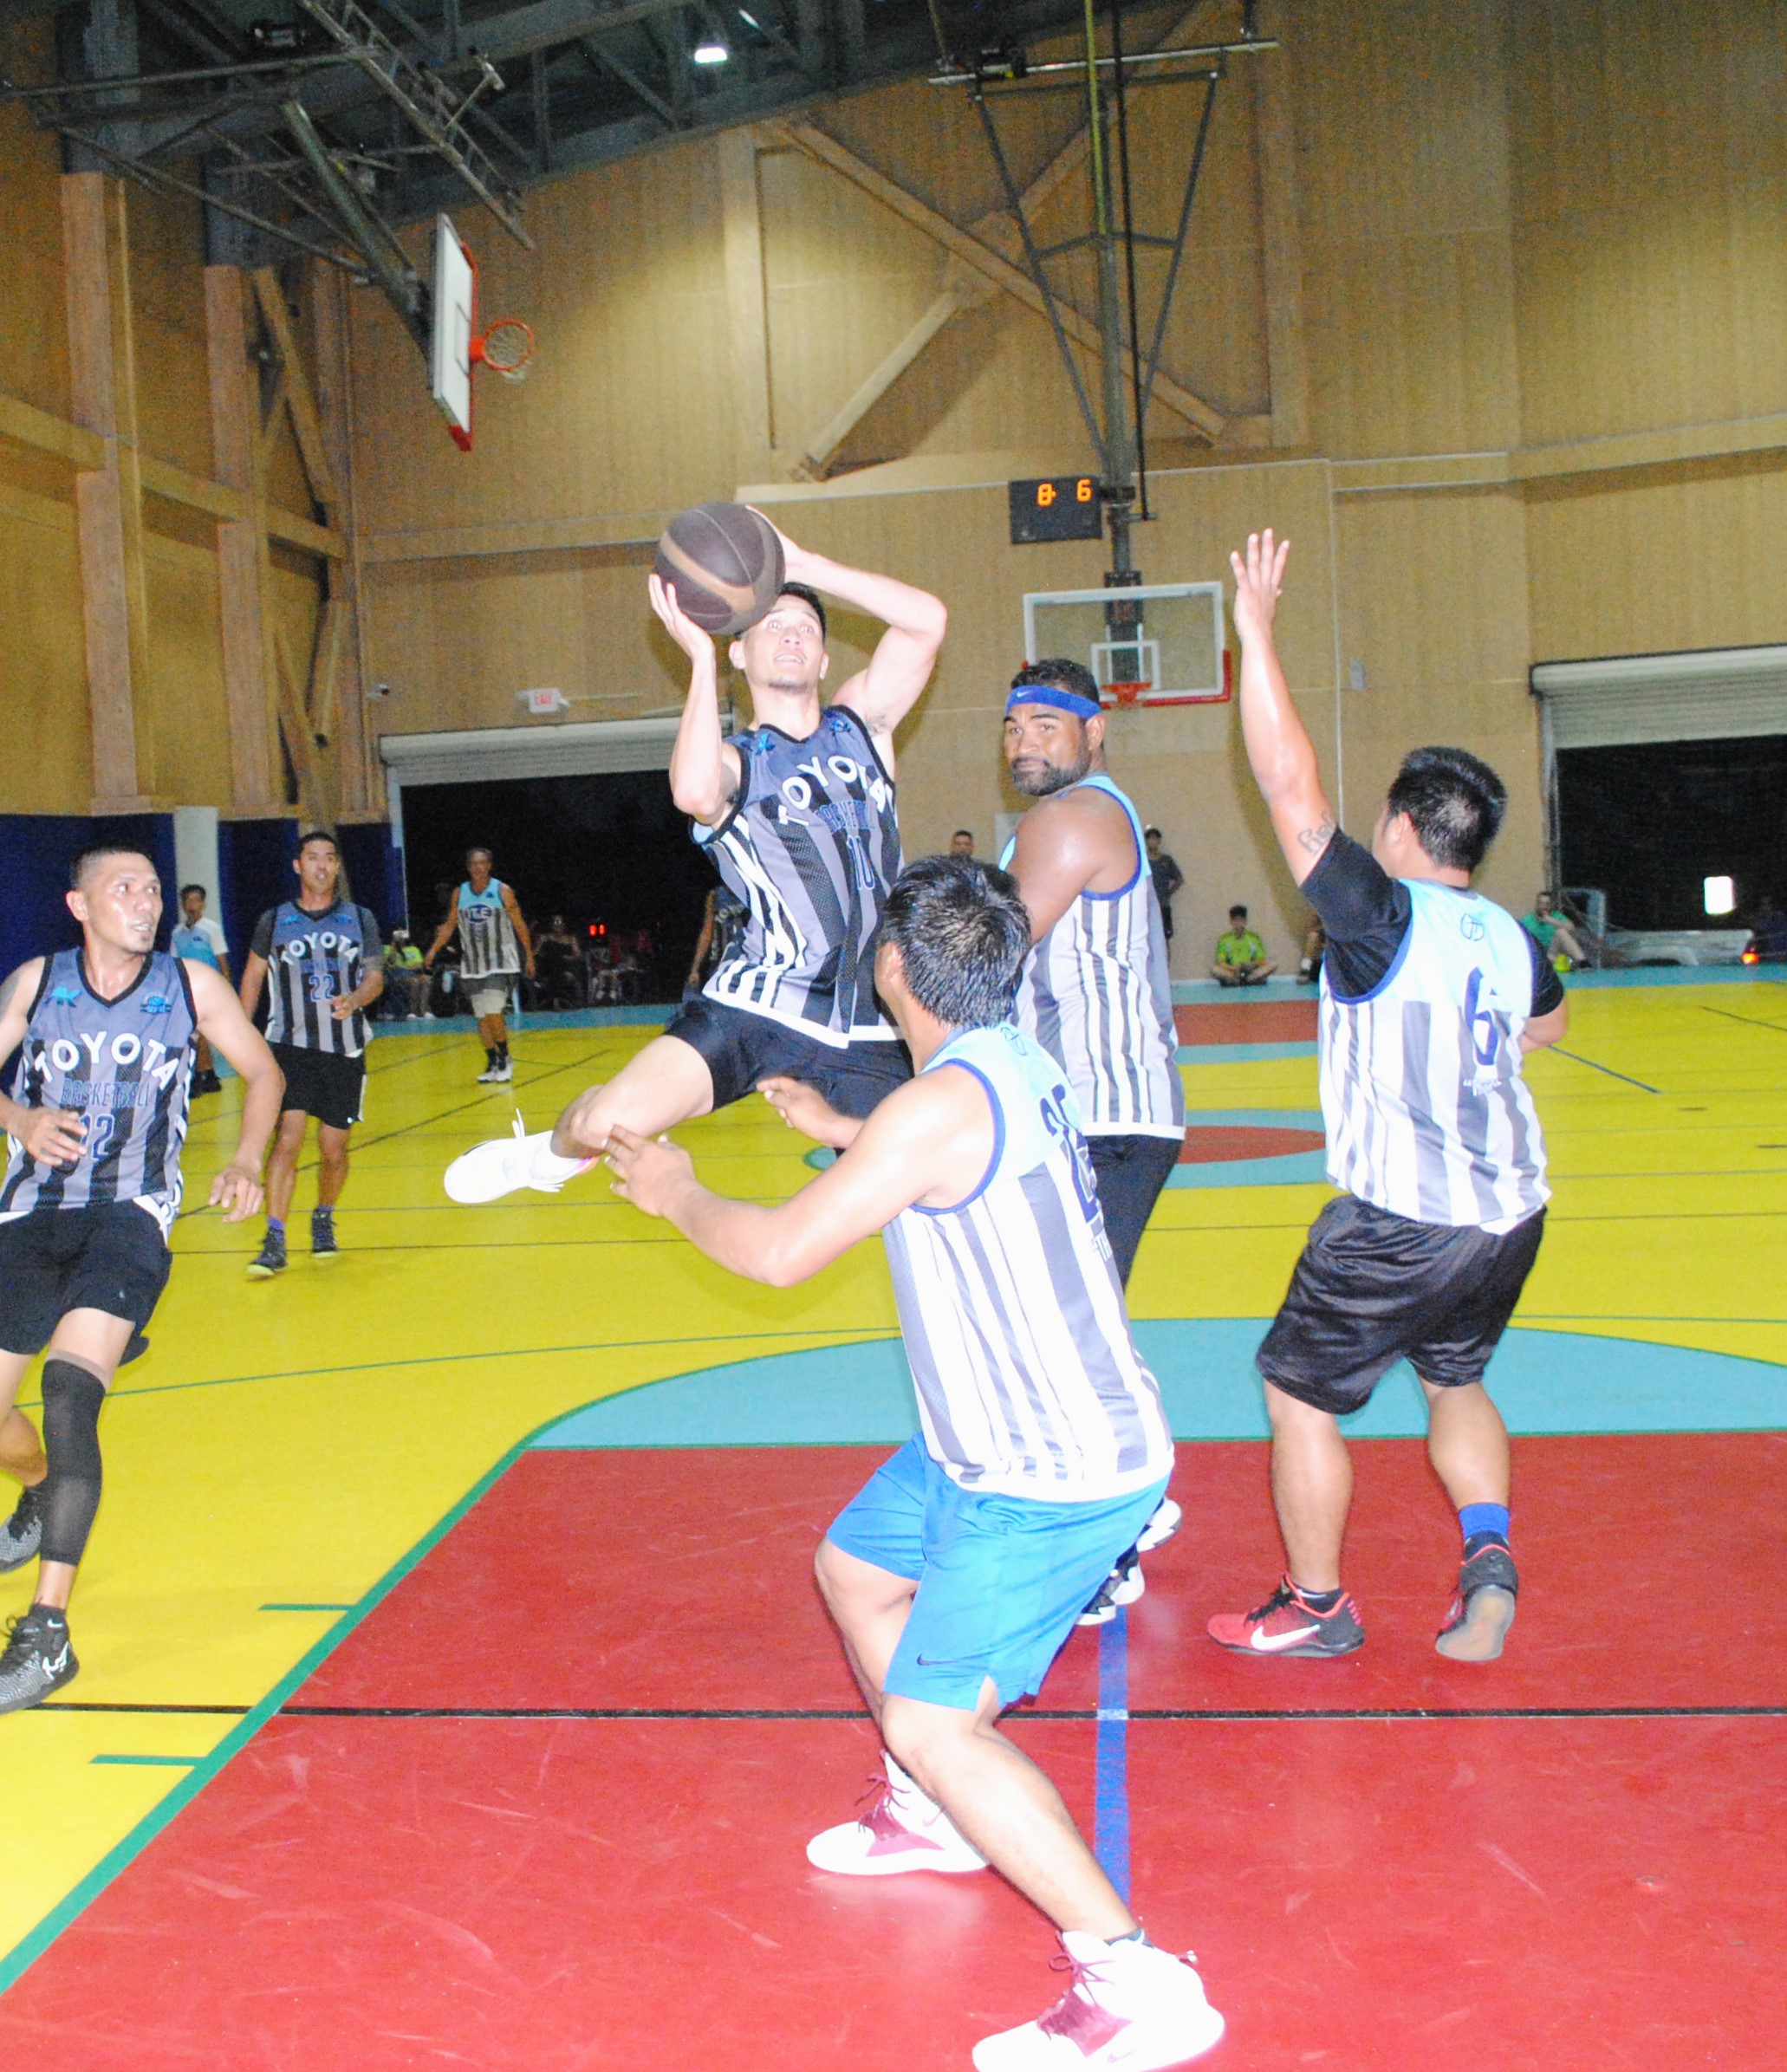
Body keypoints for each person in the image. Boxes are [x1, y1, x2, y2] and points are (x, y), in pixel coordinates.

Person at [604, 856, 1222, 2072]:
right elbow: (944, 1154)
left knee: (940, 1720)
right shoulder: (1007, 1059)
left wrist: (677, 1189)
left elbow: (782, 1251)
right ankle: (935, 1813)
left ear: (892, 970)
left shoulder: (932, 1107)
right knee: (850, 1566)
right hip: (984, 1433)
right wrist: (847, 1127)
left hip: (1048, 1467)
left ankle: (1129, 1971)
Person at [1208, 531, 1566, 1666]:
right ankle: (1489, 1555)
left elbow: (1285, 783)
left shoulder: (1383, 916)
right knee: (1452, 1374)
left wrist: (1255, 630)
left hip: (1399, 1221)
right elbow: (1545, 1024)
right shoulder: (1510, 936)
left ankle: (1315, 1605)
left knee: (1296, 1392)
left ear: (1404, 829)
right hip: (1508, 1212)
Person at [443, 519, 946, 1205]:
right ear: (740, 650)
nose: (793, 633)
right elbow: (694, 791)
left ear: (827, 660)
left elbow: (927, 621)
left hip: (875, 1017)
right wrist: (700, 664)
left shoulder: (861, 724)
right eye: (772, 623)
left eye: (806, 626)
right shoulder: (740, 760)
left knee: (931, 1197)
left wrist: (804, 563)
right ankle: (545, 1157)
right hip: (763, 1000)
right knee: (599, 1122)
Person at [0, 841, 282, 1712]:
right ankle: (43, 1493)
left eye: (153, 889)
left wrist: (243, 1157)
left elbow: (264, 1071)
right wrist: (20, 1113)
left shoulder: (189, 985)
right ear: (80, 905)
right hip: (31, 1213)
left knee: (70, 1393)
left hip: (130, 1218)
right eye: (124, 888)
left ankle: (46, 1635)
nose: (146, 900)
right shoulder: (37, 982)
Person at [999, 659, 1186, 1622]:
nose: (1025, 743)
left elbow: (984, 953)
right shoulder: (1064, 819)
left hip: (1106, 1118)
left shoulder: (1073, 819)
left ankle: (1108, 1543)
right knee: (1083, 1325)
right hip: (1094, 1117)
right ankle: (1137, 1501)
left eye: (1046, 724)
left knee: (1065, 1335)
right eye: (1013, 727)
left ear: (1093, 729)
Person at [237, 831, 384, 1278]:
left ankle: (322, 1216)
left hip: (343, 1048)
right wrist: (241, 1040)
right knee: (287, 1139)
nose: (321, 865)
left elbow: (376, 976)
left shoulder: (359, 919)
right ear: (298, 865)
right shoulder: (275, 920)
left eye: (329, 858)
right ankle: (275, 1237)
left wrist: (356, 998)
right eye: (312, 857)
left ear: (337, 866)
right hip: (289, 1046)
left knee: (333, 1149)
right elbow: (253, 979)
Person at [424, 848, 534, 1083]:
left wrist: (529, 955)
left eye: (483, 863)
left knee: (494, 1011)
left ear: (490, 865)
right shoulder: (460, 893)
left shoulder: (502, 891)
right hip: (473, 964)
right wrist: (433, 949)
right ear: (468, 867)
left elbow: (519, 924)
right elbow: (450, 925)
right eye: (474, 864)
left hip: (501, 962)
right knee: (482, 1017)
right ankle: (492, 1059)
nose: (478, 868)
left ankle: (505, 1058)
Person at [169, 885, 232, 1095]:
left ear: (203, 903)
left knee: (201, 1031)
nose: (192, 905)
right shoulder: (177, 933)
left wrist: (227, 987)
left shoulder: (211, 928)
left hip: (209, 988)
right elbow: (175, 962)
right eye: (188, 900)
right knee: (193, 1033)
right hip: (187, 988)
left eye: (196, 900)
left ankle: (202, 1075)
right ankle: (207, 1074)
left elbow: (222, 959)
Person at [1520, 892, 1586, 971]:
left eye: (1547, 904)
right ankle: (1567, 964)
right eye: (1541, 903)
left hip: (1553, 953)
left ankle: (1583, 962)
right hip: (1538, 956)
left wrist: (1550, 920)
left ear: (1552, 905)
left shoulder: (1556, 916)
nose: (1543, 907)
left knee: (1561, 932)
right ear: (1537, 905)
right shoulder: (1527, 920)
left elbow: (1571, 928)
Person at [1212, 905, 1275, 985]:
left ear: (1245, 921)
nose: (1238, 923)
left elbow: (1261, 960)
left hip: (1250, 971)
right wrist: (1233, 968)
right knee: (1215, 970)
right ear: (1231, 922)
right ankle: (1240, 981)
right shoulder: (1224, 939)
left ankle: (1247, 980)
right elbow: (1220, 962)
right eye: (1235, 920)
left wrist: (1249, 965)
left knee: (1273, 964)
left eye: (1241, 920)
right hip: (1233, 972)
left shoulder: (1254, 938)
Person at [1144, 827, 1184, 941]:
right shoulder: (1142, 861)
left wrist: (1168, 893)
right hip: (1145, 905)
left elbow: (1179, 879)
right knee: (1146, 940)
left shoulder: (1166, 860)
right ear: (1146, 842)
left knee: (1165, 939)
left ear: (1159, 841)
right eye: (1150, 839)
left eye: (1155, 839)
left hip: (1163, 905)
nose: (1153, 842)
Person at [381, 930, 428, 1019]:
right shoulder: (388, 949)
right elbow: (391, 963)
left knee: (426, 981)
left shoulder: (414, 949)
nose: (401, 940)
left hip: (412, 973)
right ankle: (412, 1011)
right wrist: (394, 946)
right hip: (397, 975)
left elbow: (419, 966)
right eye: (399, 938)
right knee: (414, 982)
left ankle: (423, 1011)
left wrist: (404, 967)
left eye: (402, 938)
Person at [1298, 910, 1325, 984]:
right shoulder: (1316, 932)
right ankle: (1305, 971)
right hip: (1318, 965)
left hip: (1329, 964)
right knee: (1313, 937)